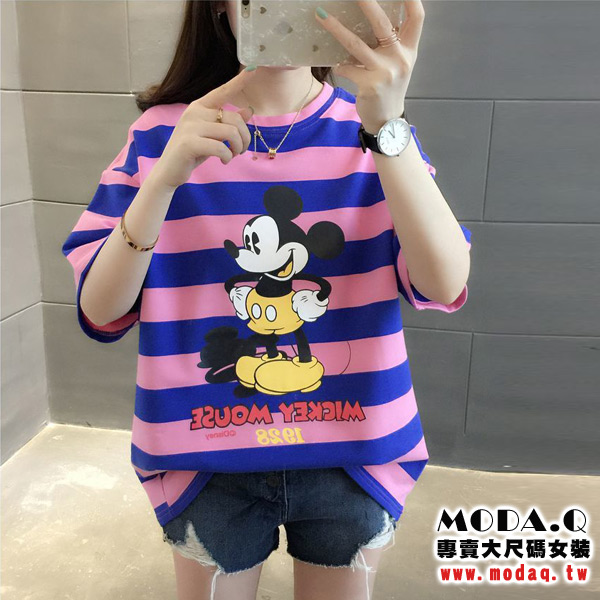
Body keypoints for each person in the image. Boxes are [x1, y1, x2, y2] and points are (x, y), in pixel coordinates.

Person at [62, 2, 471, 599]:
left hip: (355, 453)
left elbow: (445, 283)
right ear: (219, 7)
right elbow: (100, 310)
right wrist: (164, 179)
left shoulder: (374, 132)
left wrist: (389, 127)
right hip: (202, 458)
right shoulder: (162, 135)